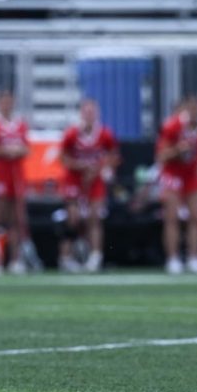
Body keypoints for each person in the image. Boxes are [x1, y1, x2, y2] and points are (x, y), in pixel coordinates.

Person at [155, 94, 197, 275]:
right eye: (192, 107)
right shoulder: (172, 126)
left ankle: (194, 257)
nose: (195, 111)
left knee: (196, 217)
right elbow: (161, 155)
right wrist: (178, 150)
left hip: (192, 175)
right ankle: (173, 258)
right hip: (173, 173)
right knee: (172, 217)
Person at [57, 98, 119, 273]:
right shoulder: (72, 133)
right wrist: (81, 166)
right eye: (86, 112)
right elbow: (63, 158)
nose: (89, 115)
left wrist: (101, 168)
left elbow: (114, 156)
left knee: (94, 217)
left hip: (95, 180)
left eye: (92, 112)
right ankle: (66, 257)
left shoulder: (105, 134)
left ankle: (95, 256)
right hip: (74, 180)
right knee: (73, 218)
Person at [0, 89, 33, 274]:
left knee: (16, 218)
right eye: (3, 101)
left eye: (9, 101)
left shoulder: (20, 124)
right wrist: (6, 151)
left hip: (16, 175)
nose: (7, 105)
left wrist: (15, 151)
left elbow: (26, 148)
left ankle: (15, 260)